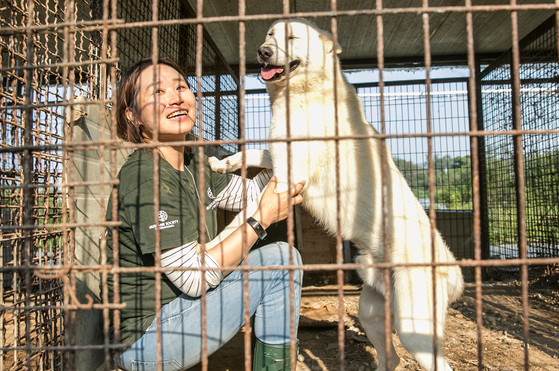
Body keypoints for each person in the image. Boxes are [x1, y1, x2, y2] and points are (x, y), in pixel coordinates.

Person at [103, 57, 306, 371]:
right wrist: (260, 220)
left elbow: (254, 194)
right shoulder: (146, 176)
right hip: (146, 342)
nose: (176, 97)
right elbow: (193, 281)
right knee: (281, 261)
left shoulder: (194, 165)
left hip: (179, 316)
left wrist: (290, 153)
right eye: (158, 92)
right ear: (133, 117)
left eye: (181, 86)